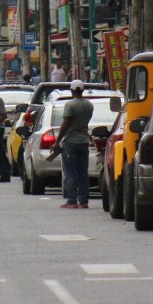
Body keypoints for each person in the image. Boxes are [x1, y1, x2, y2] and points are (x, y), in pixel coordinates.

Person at [51, 80, 94, 208]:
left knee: (70, 172)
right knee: (83, 172)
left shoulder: (70, 105)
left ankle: (72, 200)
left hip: (71, 142)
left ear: (72, 90)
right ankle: (84, 200)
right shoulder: (89, 105)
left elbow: (66, 123)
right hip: (84, 141)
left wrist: (57, 141)